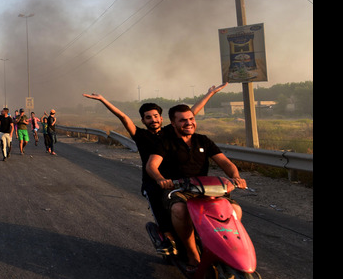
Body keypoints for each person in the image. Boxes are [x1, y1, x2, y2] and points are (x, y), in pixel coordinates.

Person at [83, 84, 226, 240]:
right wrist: (103, 100)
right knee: (159, 207)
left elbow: (192, 112)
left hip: (175, 180)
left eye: (156, 116)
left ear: (162, 118)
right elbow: (123, 117)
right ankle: (167, 238)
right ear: (143, 120)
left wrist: (209, 94)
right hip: (153, 182)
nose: (153, 120)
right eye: (148, 117)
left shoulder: (168, 131)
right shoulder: (140, 135)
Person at [145, 103, 245, 268]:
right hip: (178, 189)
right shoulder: (165, 142)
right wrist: (161, 179)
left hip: (205, 188)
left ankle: (226, 248)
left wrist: (236, 176)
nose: (189, 123)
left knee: (235, 210)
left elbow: (225, 162)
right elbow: (152, 166)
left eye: (191, 119)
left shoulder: (203, 140)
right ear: (173, 123)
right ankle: (192, 253)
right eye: (183, 120)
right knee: (179, 210)